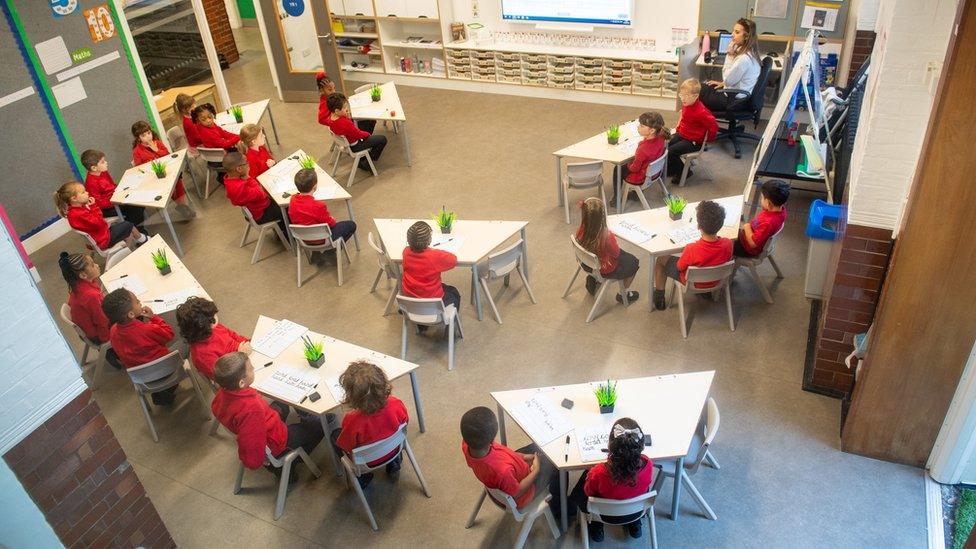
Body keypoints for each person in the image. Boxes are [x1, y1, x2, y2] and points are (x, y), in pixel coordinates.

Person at [211, 352, 325, 478]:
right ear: (242, 383)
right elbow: (251, 447)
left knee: (281, 405)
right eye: (251, 369)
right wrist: (266, 461)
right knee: (324, 421)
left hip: (265, 427)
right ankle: (285, 467)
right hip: (279, 442)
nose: (254, 369)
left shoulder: (220, 396)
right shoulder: (251, 409)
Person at [567, 418, 655, 542]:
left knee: (586, 488)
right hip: (636, 511)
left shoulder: (598, 472)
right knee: (637, 491)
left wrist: (589, 475)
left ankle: (596, 526)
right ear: (641, 445)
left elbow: (588, 492)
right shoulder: (648, 464)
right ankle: (635, 524)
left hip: (603, 515)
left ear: (610, 446)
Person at [460, 406, 558, 511]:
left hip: (510, 466)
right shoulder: (502, 471)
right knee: (558, 465)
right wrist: (536, 471)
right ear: (492, 439)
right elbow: (517, 492)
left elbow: (504, 455)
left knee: (539, 447)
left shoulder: (466, 444)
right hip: (525, 492)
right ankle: (559, 510)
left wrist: (523, 457)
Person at [332, 361, 409, 487]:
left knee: (334, 435)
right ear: (384, 385)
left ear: (350, 396)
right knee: (391, 434)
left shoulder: (352, 420)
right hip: (395, 448)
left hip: (366, 462)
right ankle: (394, 463)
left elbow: (346, 446)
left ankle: (363, 477)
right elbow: (405, 423)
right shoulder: (397, 404)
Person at [652, 200, 734, 310]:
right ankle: (706, 293)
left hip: (692, 283)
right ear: (721, 224)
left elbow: (679, 267)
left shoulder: (691, 248)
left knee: (661, 260)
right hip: (716, 281)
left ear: (699, 226)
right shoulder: (728, 243)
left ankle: (659, 298)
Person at [102, 289, 178, 405]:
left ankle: (162, 393)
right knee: (185, 341)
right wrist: (154, 317)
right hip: (167, 369)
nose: (140, 302)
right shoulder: (148, 329)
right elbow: (169, 334)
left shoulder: (113, 332)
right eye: (137, 302)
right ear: (131, 314)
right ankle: (167, 388)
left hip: (142, 378)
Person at [58, 251, 122, 369]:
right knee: (129, 312)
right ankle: (111, 352)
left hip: (88, 330)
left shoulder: (78, 286)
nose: (97, 265)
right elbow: (102, 321)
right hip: (98, 334)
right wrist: (107, 341)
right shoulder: (90, 296)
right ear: (83, 275)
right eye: (92, 265)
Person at [576, 197, 640, 304]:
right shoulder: (606, 236)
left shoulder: (581, 229)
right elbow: (616, 253)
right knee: (634, 262)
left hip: (586, 263)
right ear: (603, 217)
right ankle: (623, 293)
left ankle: (593, 279)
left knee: (624, 256)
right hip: (605, 267)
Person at [175, 297, 250, 381]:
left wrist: (248, 341)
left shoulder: (214, 328)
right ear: (208, 323)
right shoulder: (202, 355)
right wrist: (242, 355)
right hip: (236, 374)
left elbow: (232, 335)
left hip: (244, 356)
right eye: (213, 315)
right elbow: (224, 377)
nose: (216, 315)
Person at [54, 181, 146, 251]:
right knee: (128, 225)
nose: (87, 193)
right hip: (103, 239)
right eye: (83, 192)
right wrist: (93, 207)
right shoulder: (79, 213)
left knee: (127, 231)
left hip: (100, 235)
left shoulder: (75, 211)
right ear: (74, 199)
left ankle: (129, 250)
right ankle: (142, 239)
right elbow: (100, 223)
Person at [130, 121, 194, 217]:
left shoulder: (158, 143)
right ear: (138, 138)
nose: (148, 136)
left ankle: (182, 206)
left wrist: (156, 150)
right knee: (169, 187)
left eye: (149, 133)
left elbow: (169, 155)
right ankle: (183, 207)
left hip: (167, 170)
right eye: (144, 135)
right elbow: (139, 168)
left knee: (177, 180)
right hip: (154, 177)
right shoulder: (137, 151)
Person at [699, 18, 761, 112]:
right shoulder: (752, 53)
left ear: (746, 36)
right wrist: (723, 84)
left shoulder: (743, 59)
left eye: (736, 32)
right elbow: (732, 80)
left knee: (695, 91)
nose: (732, 34)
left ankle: (697, 124)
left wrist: (729, 55)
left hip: (733, 101)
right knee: (703, 86)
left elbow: (728, 80)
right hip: (739, 96)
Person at [401, 221, 460, 316]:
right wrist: (433, 251)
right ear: (429, 240)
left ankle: (420, 325)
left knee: (444, 288)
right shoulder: (434, 256)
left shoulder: (405, 252)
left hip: (411, 299)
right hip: (432, 300)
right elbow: (453, 260)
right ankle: (450, 326)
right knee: (453, 292)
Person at [288, 168, 357, 247]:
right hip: (322, 239)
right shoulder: (318, 205)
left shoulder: (292, 200)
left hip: (303, 239)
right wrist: (332, 219)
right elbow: (331, 224)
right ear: (315, 186)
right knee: (352, 225)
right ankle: (331, 250)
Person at [222, 151, 287, 235]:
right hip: (261, 213)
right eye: (246, 162)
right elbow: (261, 194)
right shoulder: (240, 188)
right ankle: (287, 236)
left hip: (256, 209)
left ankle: (281, 229)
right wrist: (248, 177)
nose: (249, 164)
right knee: (287, 208)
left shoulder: (229, 181)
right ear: (239, 169)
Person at [612, 112, 669, 206]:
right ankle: (633, 194)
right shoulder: (661, 137)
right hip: (655, 173)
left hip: (640, 177)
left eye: (642, 126)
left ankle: (616, 198)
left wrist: (629, 164)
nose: (638, 127)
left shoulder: (642, 149)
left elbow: (634, 168)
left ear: (652, 131)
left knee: (617, 169)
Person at [668, 79, 719, 181]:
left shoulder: (701, 112)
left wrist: (707, 140)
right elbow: (684, 117)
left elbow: (714, 126)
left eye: (686, 95)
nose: (682, 98)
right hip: (683, 134)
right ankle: (673, 168)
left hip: (694, 141)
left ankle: (685, 172)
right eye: (681, 95)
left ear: (695, 96)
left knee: (671, 151)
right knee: (666, 144)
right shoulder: (687, 104)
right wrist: (678, 129)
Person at [81, 149, 145, 227]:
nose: (106, 163)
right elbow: (99, 204)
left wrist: (121, 192)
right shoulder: (91, 183)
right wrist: (116, 199)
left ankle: (135, 226)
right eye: (103, 162)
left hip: (116, 198)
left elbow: (112, 185)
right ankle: (133, 229)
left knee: (139, 201)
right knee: (136, 208)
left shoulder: (103, 171)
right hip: (107, 208)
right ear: (94, 168)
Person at [326, 93, 387, 171]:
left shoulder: (330, 118)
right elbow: (359, 134)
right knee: (382, 139)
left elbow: (351, 129)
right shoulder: (345, 123)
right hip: (355, 145)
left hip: (347, 141)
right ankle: (367, 161)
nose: (347, 109)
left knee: (370, 121)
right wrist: (368, 135)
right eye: (344, 108)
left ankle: (366, 155)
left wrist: (346, 117)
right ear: (337, 111)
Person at [736, 179, 789, 257]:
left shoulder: (768, 223)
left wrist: (747, 227)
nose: (761, 200)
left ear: (768, 203)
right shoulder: (780, 209)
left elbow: (753, 244)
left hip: (747, 248)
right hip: (750, 234)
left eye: (762, 198)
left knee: (725, 243)